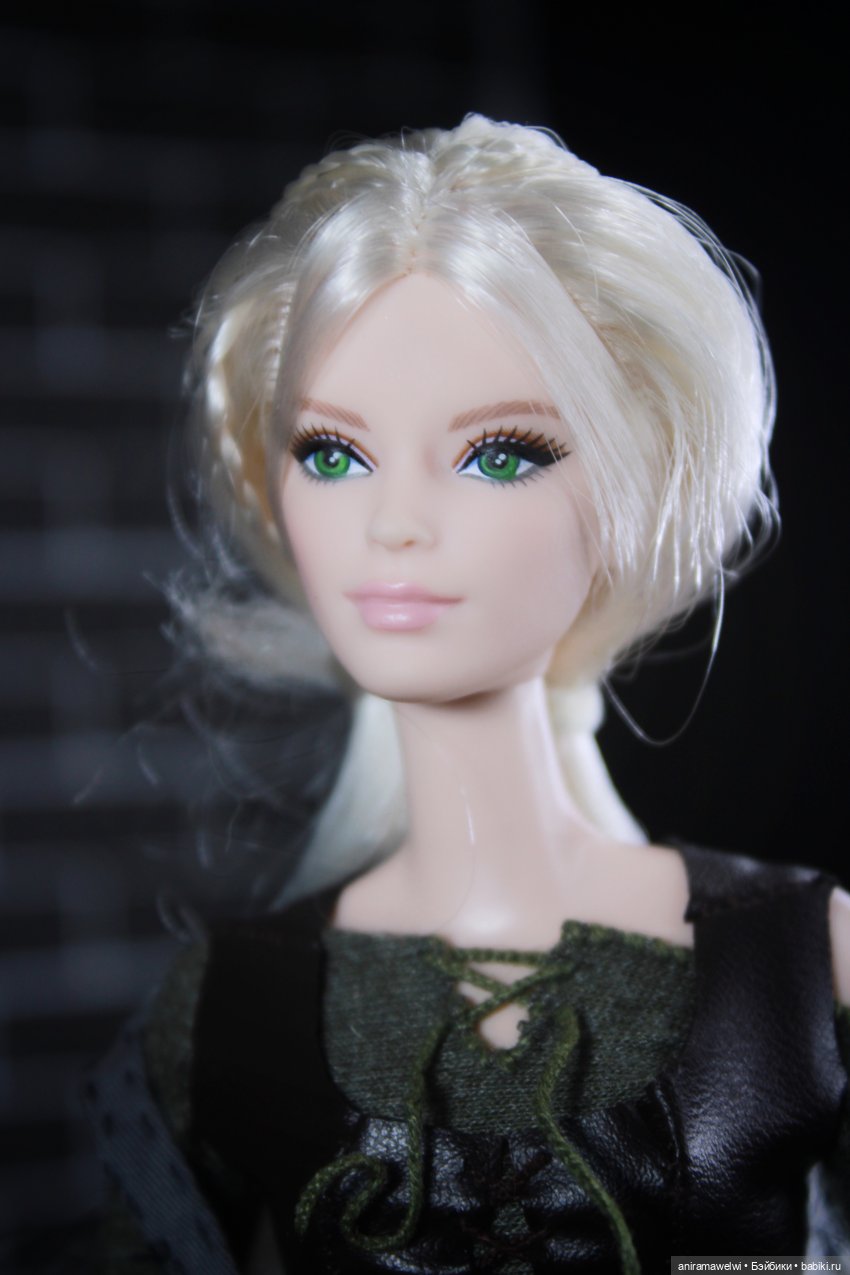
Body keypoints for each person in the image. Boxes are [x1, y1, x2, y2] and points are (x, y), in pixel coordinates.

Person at [88, 116, 850, 1274]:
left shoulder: (806, 968)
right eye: (332, 454)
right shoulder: (225, 1014)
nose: (395, 523)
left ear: (633, 481)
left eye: (500, 454)